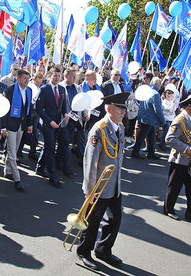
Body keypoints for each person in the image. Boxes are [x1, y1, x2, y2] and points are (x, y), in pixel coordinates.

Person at [76, 92, 130, 270]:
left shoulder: (119, 127)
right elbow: (90, 162)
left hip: (114, 184)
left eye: (124, 109)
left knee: (115, 219)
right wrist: (89, 190)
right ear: (109, 108)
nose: (123, 112)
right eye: (120, 108)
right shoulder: (99, 129)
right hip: (99, 186)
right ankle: (84, 251)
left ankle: (103, 249)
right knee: (92, 221)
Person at [35, 67, 69, 187]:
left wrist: (65, 113)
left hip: (58, 124)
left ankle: (40, 167)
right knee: (50, 148)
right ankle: (52, 176)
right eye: (54, 76)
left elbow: (63, 105)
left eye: (58, 76)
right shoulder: (44, 89)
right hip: (47, 124)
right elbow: (38, 108)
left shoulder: (62, 89)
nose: (56, 78)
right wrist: (49, 121)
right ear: (50, 76)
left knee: (49, 145)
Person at [2, 69, 32, 191]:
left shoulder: (29, 91)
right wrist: (3, 127)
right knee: (12, 152)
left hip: (22, 125)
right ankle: (17, 178)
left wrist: (29, 124)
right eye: (24, 78)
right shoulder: (10, 90)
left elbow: (30, 108)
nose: (27, 81)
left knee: (14, 148)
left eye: (28, 78)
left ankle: (7, 171)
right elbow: (4, 109)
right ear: (18, 78)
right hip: (11, 125)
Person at [131, 77, 165, 159]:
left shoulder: (147, 91)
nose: (161, 85)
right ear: (156, 84)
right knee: (143, 135)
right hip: (150, 118)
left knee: (150, 135)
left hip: (144, 116)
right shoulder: (155, 94)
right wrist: (162, 121)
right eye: (160, 83)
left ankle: (151, 152)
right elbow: (157, 109)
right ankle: (136, 152)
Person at [158, 87, 177, 151]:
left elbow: (173, 109)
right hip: (166, 119)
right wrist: (172, 104)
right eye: (171, 96)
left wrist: (173, 104)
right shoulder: (164, 102)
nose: (172, 97)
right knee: (165, 132)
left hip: (170, 118)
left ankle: (164, 144)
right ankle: (162, 144)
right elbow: (168, 109)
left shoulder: (170, 102)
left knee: (168, 133)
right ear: (167, 95)